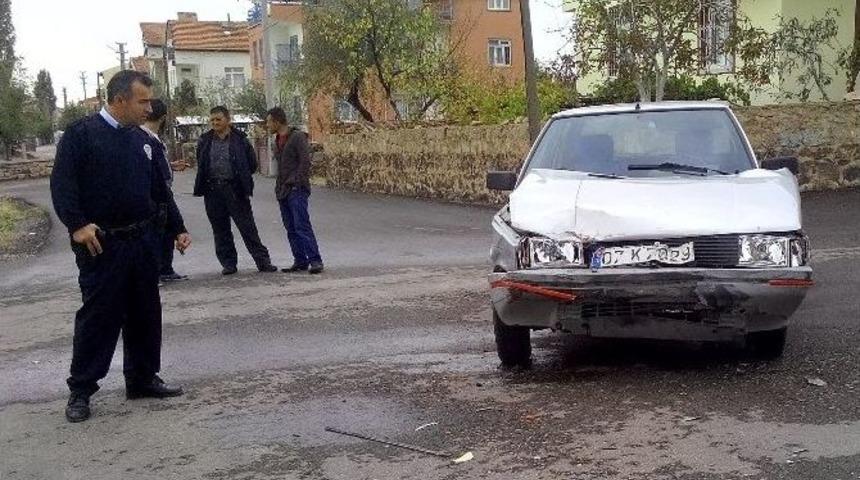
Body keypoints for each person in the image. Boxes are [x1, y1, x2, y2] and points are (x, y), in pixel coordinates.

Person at [50, 70, 191, 423]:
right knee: (99, 317)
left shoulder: (142, 140)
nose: (149, 108)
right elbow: (63, 185)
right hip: (101, 244)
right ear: (119, 100)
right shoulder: (81, 135)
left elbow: (159, 191)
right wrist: (77, 225)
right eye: (142, 101)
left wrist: (177, 228)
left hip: (141, 241)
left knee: (145, 312)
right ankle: (81, 389)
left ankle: (142, 378)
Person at [193, 106, 277, 275]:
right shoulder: (205, 140)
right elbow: (201, 161)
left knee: (247, 228)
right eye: (212, 120)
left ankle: (263, 262)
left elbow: (251, 164)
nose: (215, 123)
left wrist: (241, 178)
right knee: (220, 229)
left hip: (235, 190)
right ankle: (229, 264)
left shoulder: (240, 140)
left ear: (228, 120)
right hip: (212, 190)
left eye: (218, 119)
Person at [265, 107, 323, 274]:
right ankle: (300, 260)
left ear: (277, 121)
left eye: (269, 122)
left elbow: (305, 162)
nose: (267, 125)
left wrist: (296, 182)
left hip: (296, 189)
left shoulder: (297, 137)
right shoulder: (277, 140)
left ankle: (315, 260)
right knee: (290, 227)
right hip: (283, 189)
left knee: (301, 225)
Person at [141, 98, 188, 283]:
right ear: (163, 118)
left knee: (167, 230)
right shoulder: (145, 138)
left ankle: (165, 269)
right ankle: (156, 273)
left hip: (160, 192)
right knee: (157, 232)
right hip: (156, 195)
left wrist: (170, 166)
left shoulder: (153, 138)